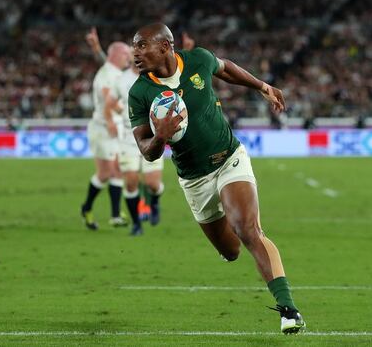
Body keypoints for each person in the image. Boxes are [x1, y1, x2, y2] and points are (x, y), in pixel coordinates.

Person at [128, 23, 305, 334]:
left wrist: (263, 87)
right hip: (194, 179)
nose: (136, 52)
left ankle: (289, 310)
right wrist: (160, 138)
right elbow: (147, 151)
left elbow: (226, 69)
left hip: (229, 159)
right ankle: (234, 233)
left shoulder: (198, 60)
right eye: (134, 46)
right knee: (231, 250)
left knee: (248, 230)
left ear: (166, 47)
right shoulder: (140, 92)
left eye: (142, 45)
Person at [85, 28, 165, 236]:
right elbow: (109, 102)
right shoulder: (121, 79)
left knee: (152, 183)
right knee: (129, 181)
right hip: (128, 138)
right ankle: (136, 223)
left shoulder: (156, 76)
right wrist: (112, 118)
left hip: (153, 136)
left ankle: (154, 201)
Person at [79, 34, 132, 231]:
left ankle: (116, 215)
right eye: (126, 53)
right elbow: (108, 98)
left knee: (117, 169)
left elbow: (105, 59)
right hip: (103, 127)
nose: (129, 57)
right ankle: (86, 207)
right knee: (105, 173)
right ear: (117, 55)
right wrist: (117, 117)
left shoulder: (115, 72)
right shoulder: (106, 75)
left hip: (114, 127)